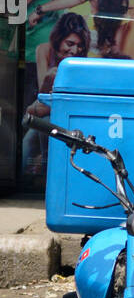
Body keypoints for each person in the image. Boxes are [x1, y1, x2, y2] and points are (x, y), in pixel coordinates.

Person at [21, 13, 91, 178]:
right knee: (34, 131)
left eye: (79, 46)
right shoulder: (44, 50)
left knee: (41, 128)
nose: (74, 50)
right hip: (45, 110)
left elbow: (51, 106)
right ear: (58, 38)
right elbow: (43, 98)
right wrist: (48, 79)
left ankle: (48, 178)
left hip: (64, 117)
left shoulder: (79, 62)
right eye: (70, 43)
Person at [24, 0, 77, 109]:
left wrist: (42, 9)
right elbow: (8, 8)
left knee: (47, 111)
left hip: (53, 60)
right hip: (24, 59)